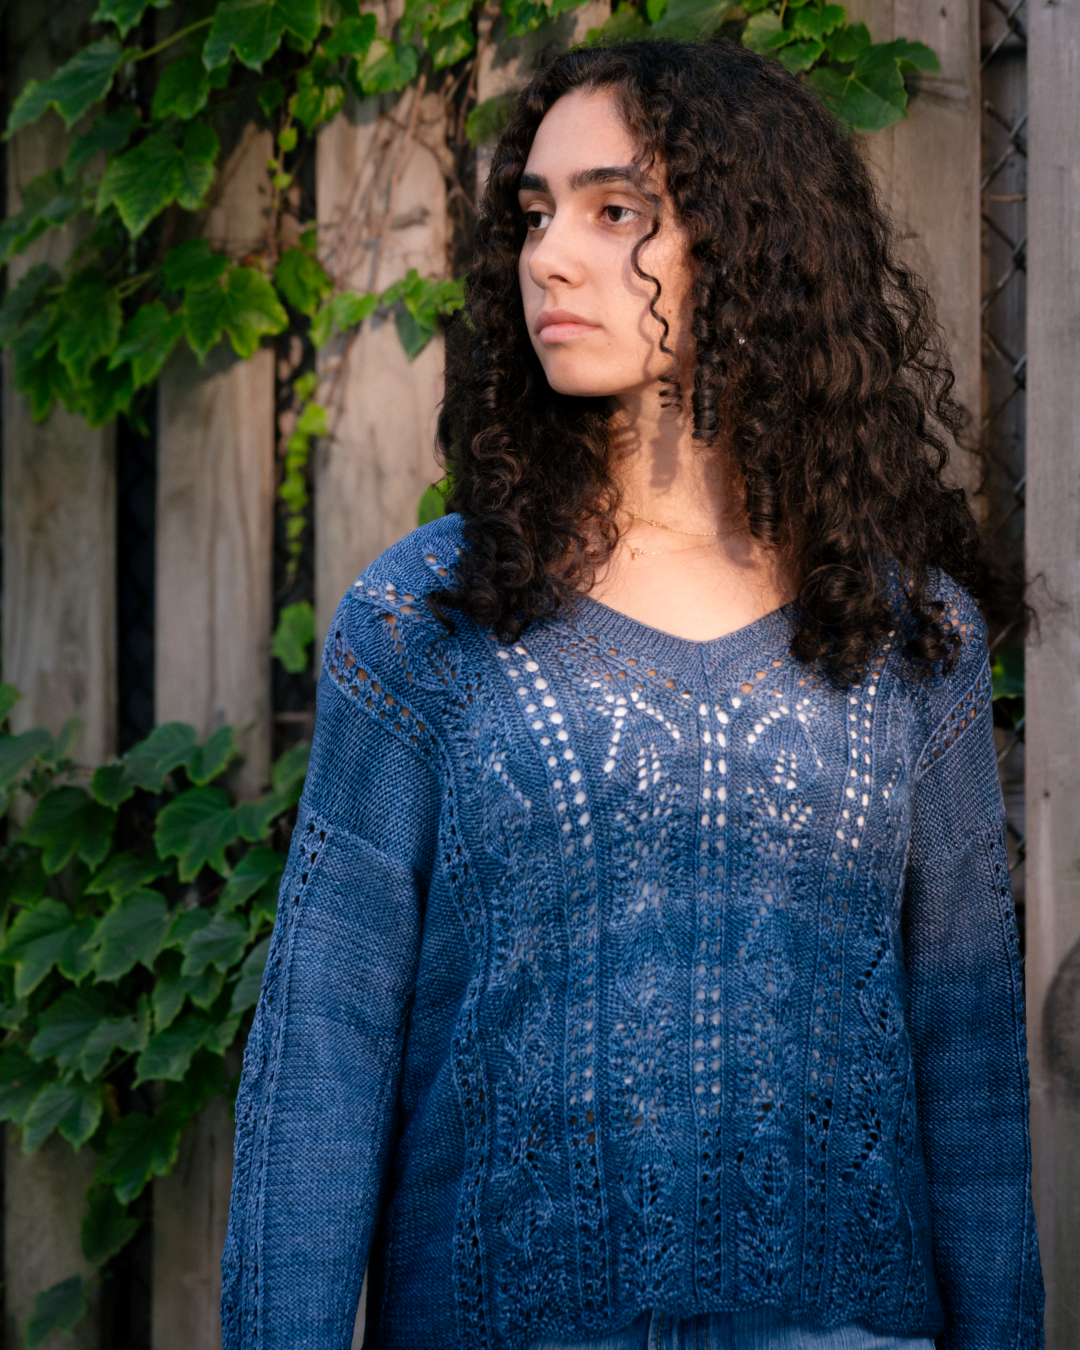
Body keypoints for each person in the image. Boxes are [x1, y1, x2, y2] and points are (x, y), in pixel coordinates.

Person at [221, 38, 1044, 1350]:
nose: (551, 255)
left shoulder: (908, 638)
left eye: (616, 213)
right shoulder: (428, 619)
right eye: (536, 213)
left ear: (752, 245)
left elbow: (970, 1072)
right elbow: (324, 1051)